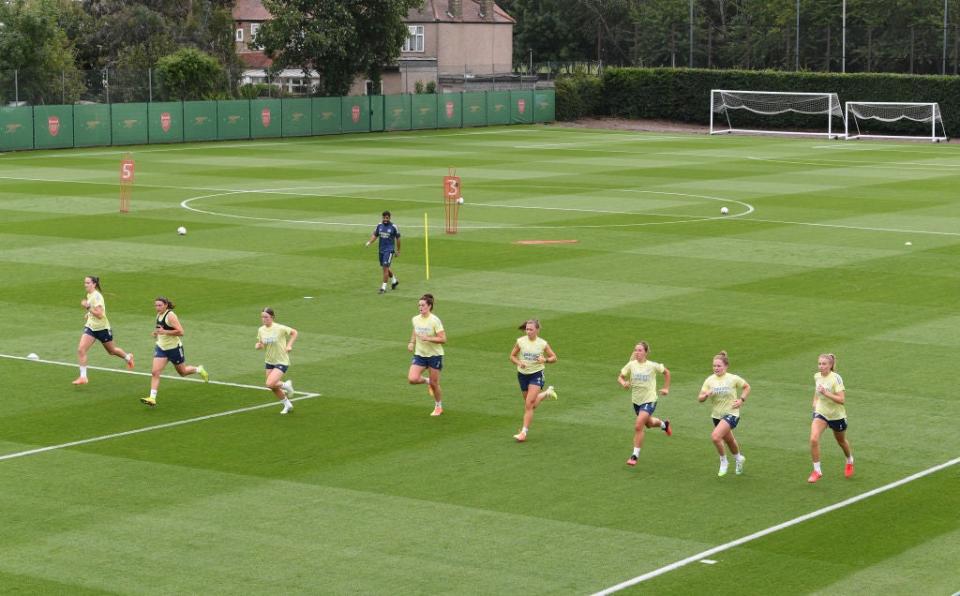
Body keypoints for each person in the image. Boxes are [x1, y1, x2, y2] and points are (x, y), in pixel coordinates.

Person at [141, 297, 208, 407]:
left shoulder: (171, 315)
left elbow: (181, 332)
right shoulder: (158, 315)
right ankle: (152, 398)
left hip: (174, 349)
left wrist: (164, 332)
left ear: (166, 305)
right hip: (161, 348)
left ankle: (198, 369)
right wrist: (156, 333)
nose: (157, 308)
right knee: (155, 372)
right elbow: (160, 329)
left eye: (159, 305)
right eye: (156, 305)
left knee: (182, 372)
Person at [618, 341, 672, 466]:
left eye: (640, 350)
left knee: (638, 425)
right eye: (635, 350)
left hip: (649, 400)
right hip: (636, 401)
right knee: (649, 423)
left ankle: (634, 455)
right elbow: (620, 377)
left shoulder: (652, 366)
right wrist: (623, 383)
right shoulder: (631, 365)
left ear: (646, 352)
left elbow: (667, 373)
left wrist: (666, 388)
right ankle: (664, 424)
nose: (637, 352)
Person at [73, 275, 134, 384]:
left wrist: (87, 307)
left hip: (102, 329)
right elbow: (94, 310)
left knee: (112, 351)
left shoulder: (97, 296)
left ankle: (128, 357)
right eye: (85, 283)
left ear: (94, 284)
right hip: (91, 327)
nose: (85, 285)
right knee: (81, 350)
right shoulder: (90, 295)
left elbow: (100, 315)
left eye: (88, 283)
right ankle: (83, 377)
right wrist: (88, 313)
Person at [698, 350, 750, 477]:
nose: (716, 368)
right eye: (714, 366)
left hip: (732, 414)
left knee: (716, 437)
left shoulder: (733, 378)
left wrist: (741, 400)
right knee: (729, 440)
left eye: (719, 366)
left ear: (726, 366)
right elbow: (700, 399)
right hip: (716, 416)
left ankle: (723, 461)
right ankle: (739, 459)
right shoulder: (709, 380)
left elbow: (747, 387)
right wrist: (706, 395)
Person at [808, 353, 854, 483]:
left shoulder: (836, 379)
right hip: (821, 413)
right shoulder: (817, 376)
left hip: (836, 416)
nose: (821, 366)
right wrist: (815, 401)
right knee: (813, 439)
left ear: (830, 365)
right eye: (819, 364)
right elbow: (817, 391)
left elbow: (842, 400)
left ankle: (849, 460)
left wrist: (826, 393)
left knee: (841, 441)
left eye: (824, 364)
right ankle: (817, 470)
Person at [510, 319, 558, 442]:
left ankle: (523, 432)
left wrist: (545, 360)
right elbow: (512, 356)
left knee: (528, 404)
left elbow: (554, 357)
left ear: (537, 330)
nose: (528, 331)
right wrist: (519, 363)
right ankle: (546, 393)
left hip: (536, 374)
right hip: (522, 375)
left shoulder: (542, 343)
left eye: (531, 329)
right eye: (527, 329)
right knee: (530, 404)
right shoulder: (520, 342)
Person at [407, 293, 446, 416]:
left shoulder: (435, 320)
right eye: (419, 305)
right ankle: (427, 381)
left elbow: (443, 339)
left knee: (435, 384)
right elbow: (415, 329)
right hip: (420, 355)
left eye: (423, 305)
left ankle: (438, 406)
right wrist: (412, 342)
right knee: (412, 379)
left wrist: (428, 338)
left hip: (434, 356)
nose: (420, 307)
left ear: (429, 306)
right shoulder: (415, 319)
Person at [255, 307, 299, 415]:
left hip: (281, 361)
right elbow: (261, 343)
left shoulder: (279, 328)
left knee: (270, 383)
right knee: (272, 387)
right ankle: (287, 404)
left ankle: (286, 386)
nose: (264, 319)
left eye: (266, 317)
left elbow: (294, 333)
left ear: (272, 317)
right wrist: (259, 345)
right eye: (262, 317)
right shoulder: (261, 330)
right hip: (269, 361)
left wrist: (289, 345)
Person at [365, 210, 401, 294]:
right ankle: (394, 281)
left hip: (389, 250)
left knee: (385, 268)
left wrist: (398, 250)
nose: (385, 219)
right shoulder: (379, 225)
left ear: (389, 218)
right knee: (385, 267)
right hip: (381, 250)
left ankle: (383, 288)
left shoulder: (393, 227)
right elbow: (375, 235)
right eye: (384, 218)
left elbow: (398, 239)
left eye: (387, 218)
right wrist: (369, 242)